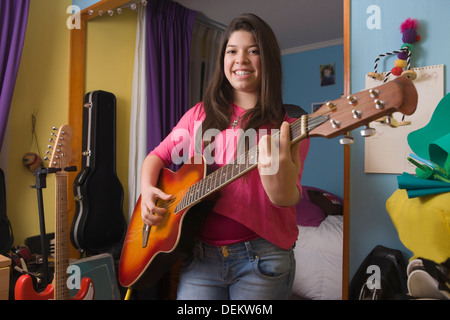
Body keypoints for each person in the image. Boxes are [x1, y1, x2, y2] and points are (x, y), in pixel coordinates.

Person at [139, 13, 310, 300]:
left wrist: (273, 174)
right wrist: (147, 191)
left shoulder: (288, 123)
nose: (241, 59)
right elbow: (157, 156)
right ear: (223, 60)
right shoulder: (198, 114)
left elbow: (285, 198)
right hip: (198, 256)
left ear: (267, 60)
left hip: (262, 258)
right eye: (232, 51)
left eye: (253, 51)